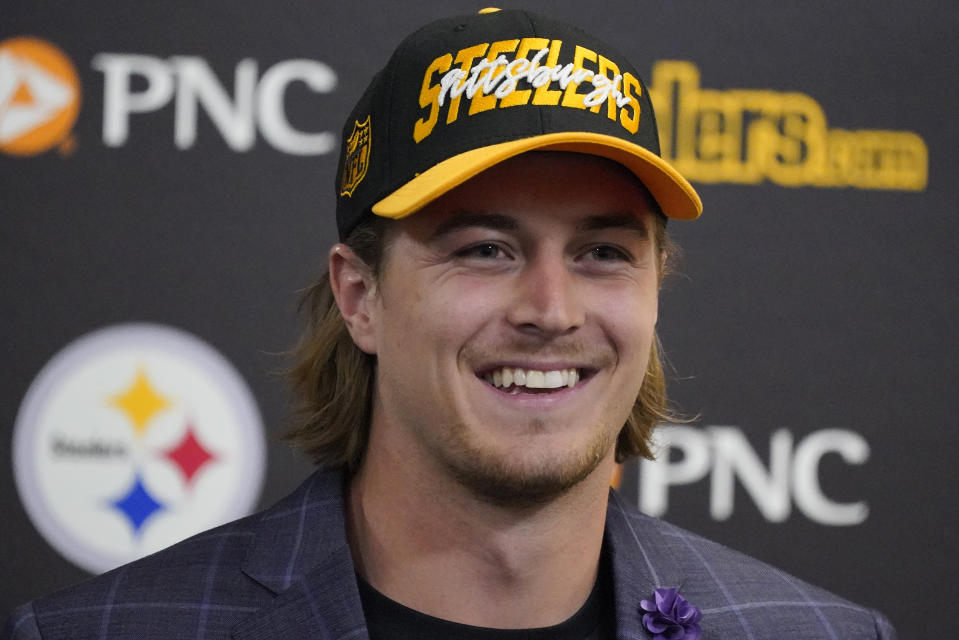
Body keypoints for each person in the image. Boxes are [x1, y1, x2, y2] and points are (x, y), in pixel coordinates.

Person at [3, 8, 896, 639]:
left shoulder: (823, 631)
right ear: (361, 298)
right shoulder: (106, 631)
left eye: (602, 253)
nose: (551, 310)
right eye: (482, 249)